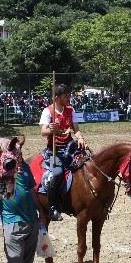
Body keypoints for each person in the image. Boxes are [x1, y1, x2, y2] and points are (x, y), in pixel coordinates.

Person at [39, 84, 88, 221]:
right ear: (56, 97)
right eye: (65, 96)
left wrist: (80, 138)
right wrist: (51, 129)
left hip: (70, 146)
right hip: (55, 149)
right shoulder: (48, 111)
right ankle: (53, 207)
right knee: (58, 173)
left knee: (87, 163)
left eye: (69, 95)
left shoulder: (70, 110)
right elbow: (43, 131)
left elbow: (76, 129)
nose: (69, 98)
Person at [0, 161, 39, 263]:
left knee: (28, 257)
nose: (18, 155)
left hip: (31, 218)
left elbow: (31, 189)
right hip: (12, 220)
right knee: (15, 258)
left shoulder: (25, 167)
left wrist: (41, 213)